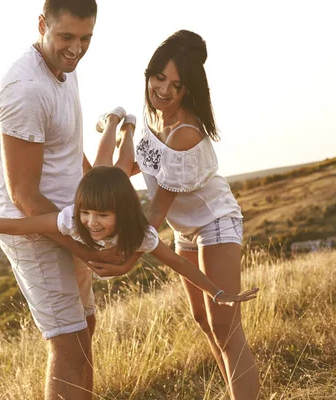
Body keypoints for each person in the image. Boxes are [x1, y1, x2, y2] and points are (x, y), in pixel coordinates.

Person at [90, 30, 261, 399]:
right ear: (148, 74)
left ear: (188, 90)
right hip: (186, 230)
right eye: (159, 77)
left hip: (216, 222)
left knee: (226, 326)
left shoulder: (184, 133)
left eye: (176, 84)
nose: (164, 89)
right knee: (204, 321)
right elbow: (133, 168)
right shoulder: (157, 120)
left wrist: (127, 260)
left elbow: (155, 213)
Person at [0, 166, 259, 307]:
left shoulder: (140, 234)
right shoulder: (71, 219)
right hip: (88, 189)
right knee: (105, 166)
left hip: (120, 194)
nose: (92, 222)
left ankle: (120, 125)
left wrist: (217, 292)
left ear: (120, 215)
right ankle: (114, 123)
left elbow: (179, 265)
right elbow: (17, 226)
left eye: (102, 215)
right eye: (87, 212)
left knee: (116, 165)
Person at [0, 1, 106, 398]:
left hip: (72, 221)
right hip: (34, 231)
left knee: (85, 329)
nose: (76, 48)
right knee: (68, 344)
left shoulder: (63, 68)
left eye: (85, 38)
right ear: (42, 24)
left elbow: (70, 150)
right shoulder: (25, 89)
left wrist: (99, 209)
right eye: (66, 37)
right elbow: (23, 193)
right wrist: (82, 245)